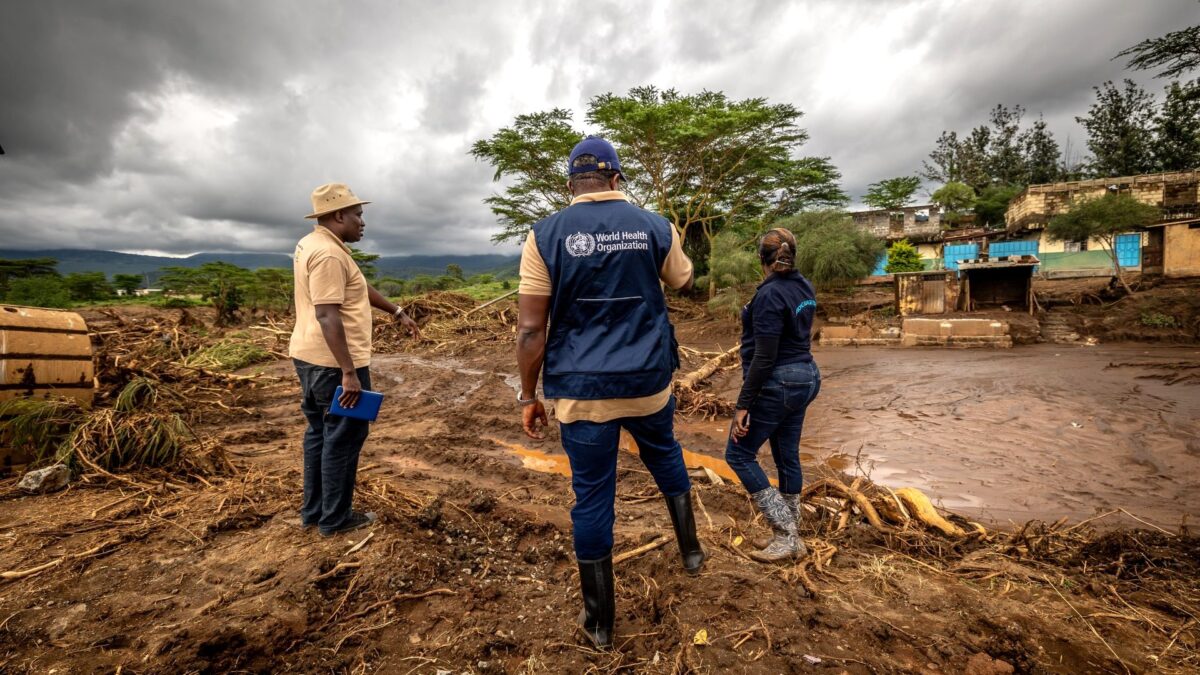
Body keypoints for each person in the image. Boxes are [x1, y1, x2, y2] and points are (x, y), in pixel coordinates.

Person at [515, 136, 704, 649]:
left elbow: (532, 331)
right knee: (664, 453)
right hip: (647, 382)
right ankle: (691, 552)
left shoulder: (544, 235)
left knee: (593, 496)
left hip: (580, 391)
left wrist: (528, 396)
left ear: (570, 184)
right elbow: (684, 281)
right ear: (617, 179)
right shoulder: (654, 225)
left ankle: (600, 624)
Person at [289, 182, 421, 537]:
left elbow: (358, 287)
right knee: (345, 435)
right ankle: (336, 519)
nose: (363, 222)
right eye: (358, 215)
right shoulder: (330, 255)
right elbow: (328, 315)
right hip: (334, 365)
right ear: (338, 215)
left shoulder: (313, 244)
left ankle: (314, 513)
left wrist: (397, 311)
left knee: (320, 433)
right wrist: (349, 372)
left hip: (309, 358)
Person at [724, 228, 820, 562]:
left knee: (738, 455)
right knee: (787, 455)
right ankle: (791, 536)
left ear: (760, 259)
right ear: (794, 254)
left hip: (779, 380)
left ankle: (785, 533)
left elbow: (765, 356)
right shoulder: (803, 285)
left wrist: (742, 405)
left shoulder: (769, 296)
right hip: (806, 376)